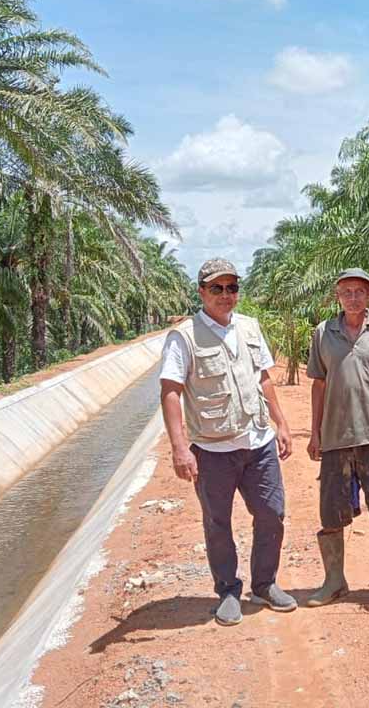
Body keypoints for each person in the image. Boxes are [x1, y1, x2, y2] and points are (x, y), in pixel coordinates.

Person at [159, 258, 296, 626]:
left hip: (258, 443)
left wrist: (280, 423)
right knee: (218, 522)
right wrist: (179, 447)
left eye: (231, 287)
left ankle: (264, 584)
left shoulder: (250, 327)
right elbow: (171, 390)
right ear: (202, 291)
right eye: (216, 288)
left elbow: (263, 377)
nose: (225, 295)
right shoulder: (184, 336)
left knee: (272, 513)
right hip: (212, 448)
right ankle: (228, 591)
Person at [306, 268, 369, 606]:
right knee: (331, 510)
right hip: (336, 435)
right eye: (346, 291)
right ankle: (334, 581)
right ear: (337, 295)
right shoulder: (324, 332)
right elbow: (318, 384)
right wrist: (315, 433)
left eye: (359, 291)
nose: (353, 297)